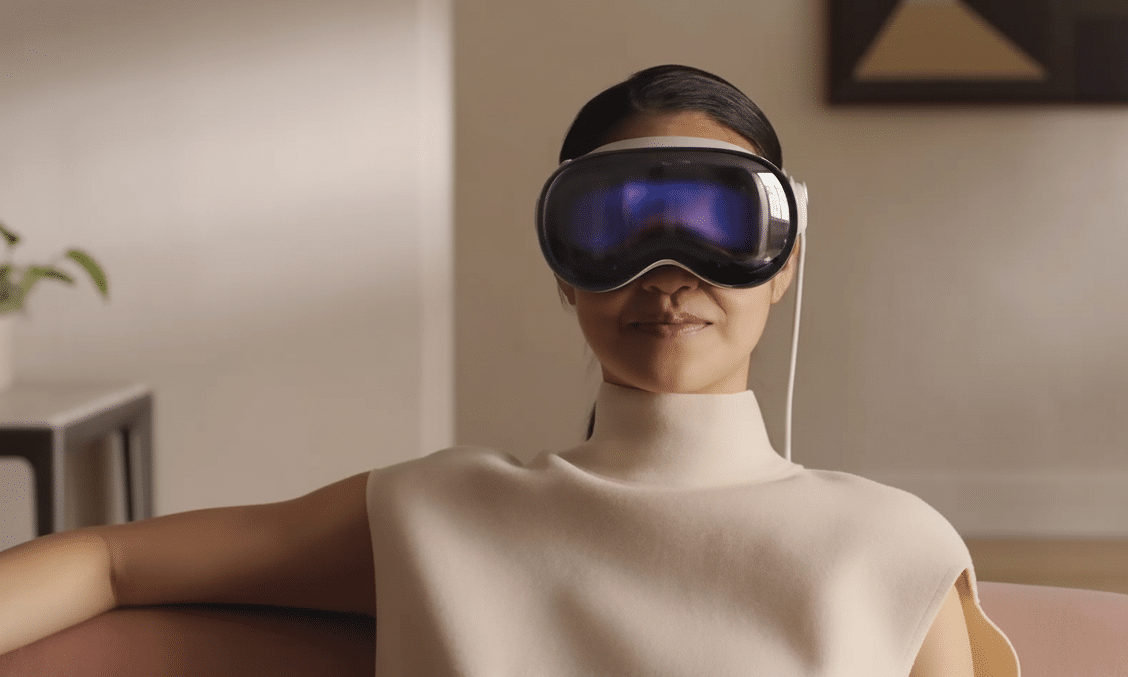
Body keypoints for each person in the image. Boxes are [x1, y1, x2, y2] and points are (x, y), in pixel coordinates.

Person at [0, 65, 1019, 677]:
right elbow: (110, 560)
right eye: (614, 224)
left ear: (785, 257)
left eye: (714, 221)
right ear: (563, 272)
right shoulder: (437, 512)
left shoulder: (894, 546)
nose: (666, 274)